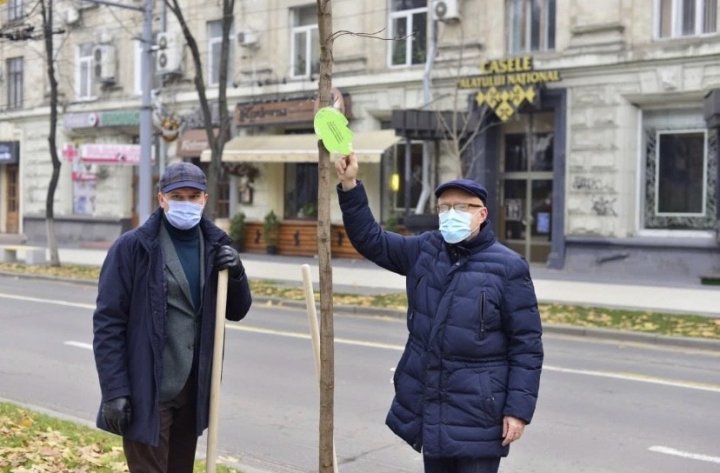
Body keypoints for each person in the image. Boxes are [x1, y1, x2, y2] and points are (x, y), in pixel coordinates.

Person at [335, 154, 543, 473]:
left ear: (482, 214)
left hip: (480, 414)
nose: (451, 215)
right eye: (444, 208)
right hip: (433, 404)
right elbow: (370, 240)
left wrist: (517, 411)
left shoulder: (509, 267)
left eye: (461, 208)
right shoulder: (424, 250)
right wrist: (350, 185)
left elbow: (526, 347)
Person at [92, 162, 252, 472]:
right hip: (147, 391)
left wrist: (237, 273)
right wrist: (114, 390)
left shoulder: (216, 246)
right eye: (178, 196)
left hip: (193, 391)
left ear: (205, 199)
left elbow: (237, 310)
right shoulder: (133, 248)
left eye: (193, 196)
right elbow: (108, 323)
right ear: (162, 199)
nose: (186, 203)